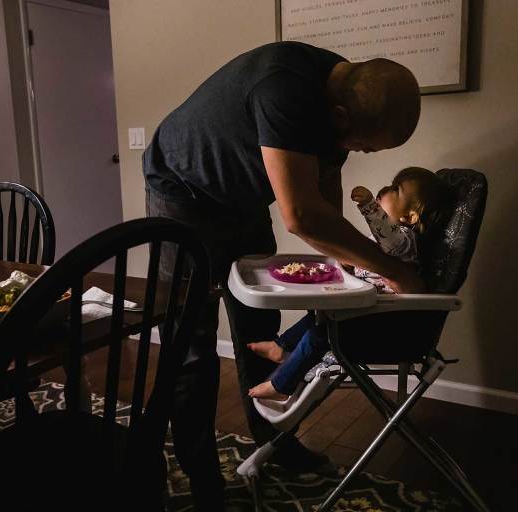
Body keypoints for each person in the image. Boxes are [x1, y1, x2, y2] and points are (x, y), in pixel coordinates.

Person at [143, 41, 422, 510]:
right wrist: (393, 269)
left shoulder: (340, 93)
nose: (365, 152)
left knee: (259, 327)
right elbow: (302, 216)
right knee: (191, 344)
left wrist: (346, 265)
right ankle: (202, 474)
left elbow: (325, 204)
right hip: (182, 193)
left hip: (242, 199)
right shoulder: (284, 90)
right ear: (339, 117)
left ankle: (275, 442)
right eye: (366, 145)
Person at [248, 167, 455, 400]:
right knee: (315, 317)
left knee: (318, 337)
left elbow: (390, 240)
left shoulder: (406, 241)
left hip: (382, 322)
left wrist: (369, 206)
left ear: (411, 217)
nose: (386, 190)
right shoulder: (392, 245)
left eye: (396, 189)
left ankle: (281, 385)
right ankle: (281, 346)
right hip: (365, 311)